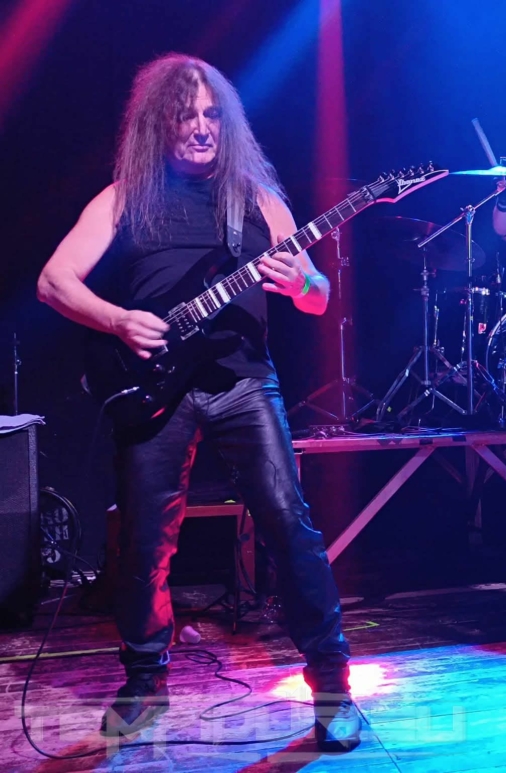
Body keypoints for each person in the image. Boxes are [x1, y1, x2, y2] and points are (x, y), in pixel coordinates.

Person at [36, 54, 360, 751]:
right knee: (145, 541)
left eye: (213, 114)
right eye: (187, 114)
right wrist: (118, 320)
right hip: (153, 386)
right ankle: (144, 683)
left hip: (244, 381)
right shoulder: (127, 196)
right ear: (161, 121)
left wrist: (299, 283)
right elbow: (54, 280)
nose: (203, 126)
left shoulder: (257, 199)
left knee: (289, 524)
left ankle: (333, 689)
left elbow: (318, 296)